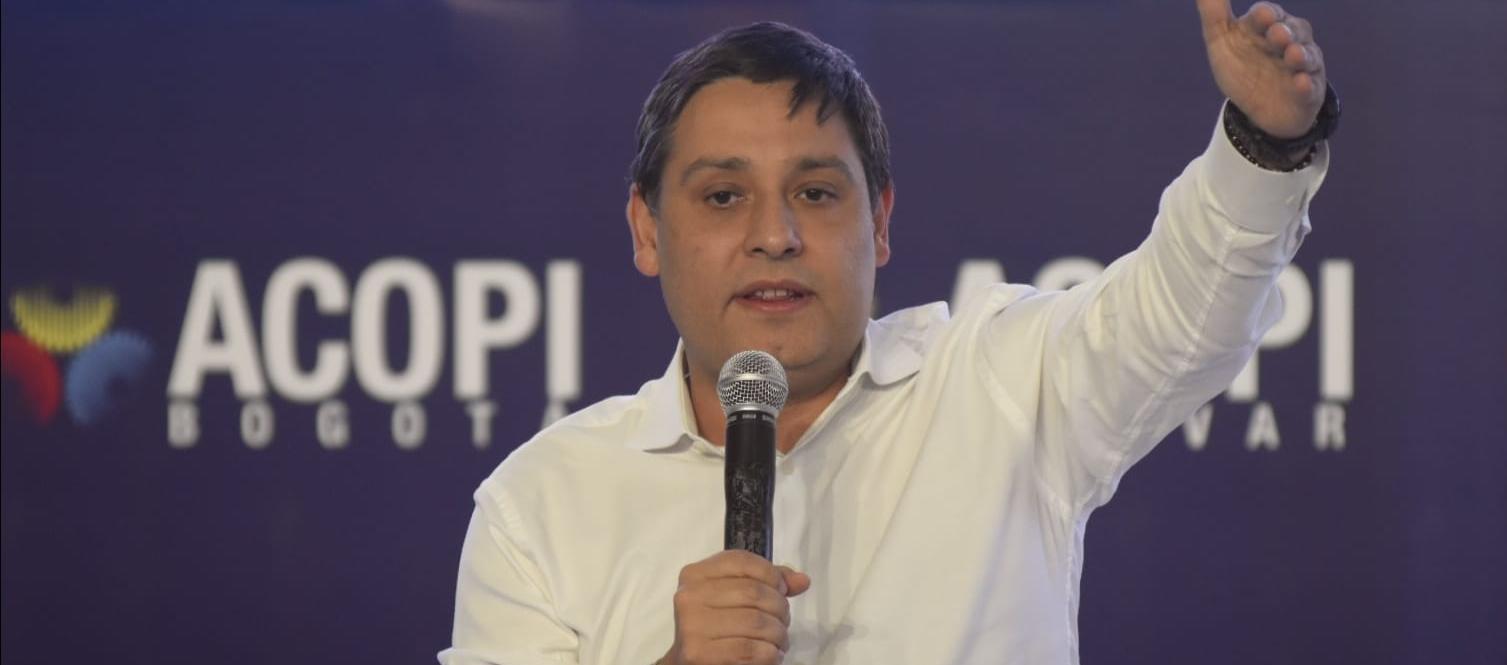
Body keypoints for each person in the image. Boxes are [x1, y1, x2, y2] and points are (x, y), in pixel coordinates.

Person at [441, 1, 1337, 663]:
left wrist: (1262, 143)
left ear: (877, 222)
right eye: (722, 196)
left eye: (815, 192)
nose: (773, 234)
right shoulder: (541, 506)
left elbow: (1182, 311)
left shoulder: (1001, 384)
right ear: (646, 230)